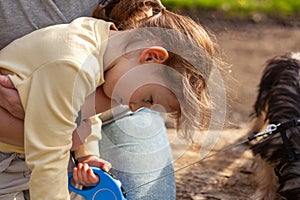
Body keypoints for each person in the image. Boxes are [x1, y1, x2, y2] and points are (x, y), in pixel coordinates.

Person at [0, 0, 221, 199]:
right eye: (148, 98)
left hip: (45, 146)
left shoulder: (100, 40)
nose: (135, 108)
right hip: (10, 158)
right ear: (151, 57)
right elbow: (48, 157)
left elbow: (87, 104)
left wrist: (86, 155)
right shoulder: (73, 65)